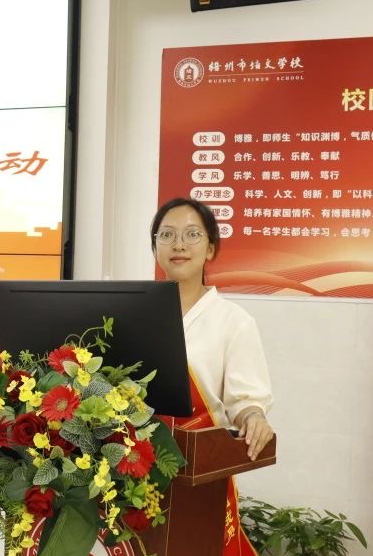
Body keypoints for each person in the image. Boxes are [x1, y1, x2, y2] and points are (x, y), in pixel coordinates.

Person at [150, 196, 273, 556]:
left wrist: (254, 417)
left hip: (198, 473)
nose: (178, 245)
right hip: (132, 470)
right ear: (155, 247)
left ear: (210, 249)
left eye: (192, 235)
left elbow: (246, 401)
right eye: (167, 235)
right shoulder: (132, 312)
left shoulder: (233, 321)